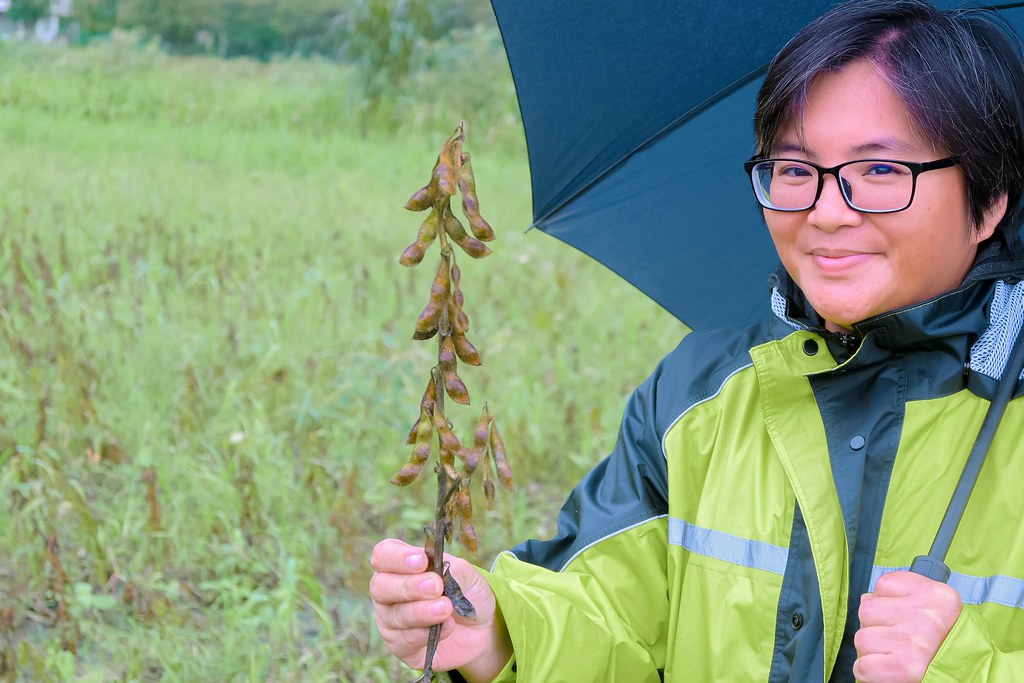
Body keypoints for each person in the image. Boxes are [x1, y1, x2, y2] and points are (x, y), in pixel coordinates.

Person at [370, 1, 1024, 680]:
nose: (828, 213)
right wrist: (501, 635)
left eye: (882, 172)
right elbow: (612, 609)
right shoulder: (695, 396)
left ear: (990, 198)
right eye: (796, 170)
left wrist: (967, 668)